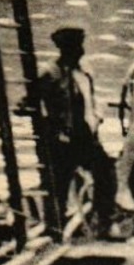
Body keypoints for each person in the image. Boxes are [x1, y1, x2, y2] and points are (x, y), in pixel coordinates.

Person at [36, 26, 117, 234]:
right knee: (58, 187)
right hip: (61, 141)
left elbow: (91, 100)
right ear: (64, 49)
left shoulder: (85, 71)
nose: (81, 50)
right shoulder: (49, 73)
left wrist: (97, 117)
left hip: (84, 137)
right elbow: (29, 102)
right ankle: (54, 230)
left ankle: (104, 221)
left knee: (106, 173)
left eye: (81, 45)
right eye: (76, 46)